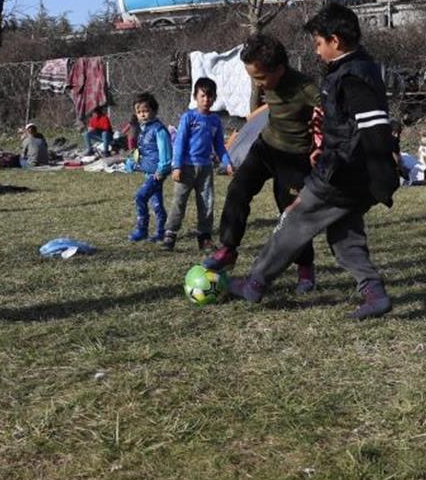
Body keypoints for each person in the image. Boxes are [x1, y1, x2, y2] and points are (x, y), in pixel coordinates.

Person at [229, 2, 399, 320]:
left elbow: (374, 128)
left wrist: (380, 172)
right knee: (344, 233)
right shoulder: (357, 68)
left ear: (336, 41)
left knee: (294, 220)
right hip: (354, 173)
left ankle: (254, 284)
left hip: (343, 173)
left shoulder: (353, 76)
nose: (317, 51)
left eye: (319, 43)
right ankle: (374, 292)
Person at [203, 34, 322, 293]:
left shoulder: (306, 88)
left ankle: (305, 269)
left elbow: (331, 113)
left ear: (279, 69)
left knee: (290, 213)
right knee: (238, 190)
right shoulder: (265, 78)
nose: (256, 83)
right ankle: (228, 249)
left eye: (259, 78)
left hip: (295, 158)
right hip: (266, 147)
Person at [163, 77, 231, 251]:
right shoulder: (189, 117)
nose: (206, 100)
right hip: (186, 167)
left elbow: (219, 146)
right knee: (179, 201)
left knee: (207, 202)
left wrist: (227, 163)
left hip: (206, 169)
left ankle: (204, 237)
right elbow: (180, 143)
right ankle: (170, 233)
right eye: (202, 96)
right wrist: (176, 166)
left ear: (214, 98)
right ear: (195, 96)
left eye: (210, 96)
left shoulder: (215, 121)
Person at [128, 92, 172, 243]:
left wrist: (162, 169)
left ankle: (142, 229)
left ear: (153, 110)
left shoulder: (158, 130)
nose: (142, 115)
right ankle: (161, 232)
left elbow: (165, 151)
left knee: (140, 197)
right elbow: (143, 151)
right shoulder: (143, 129)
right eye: (139, 112)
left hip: (156, 174)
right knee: (157, 203)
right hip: (148, 172)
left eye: (145, 111)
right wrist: (134, 163)